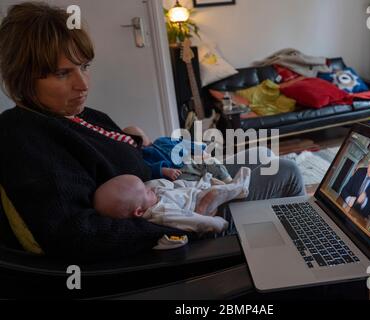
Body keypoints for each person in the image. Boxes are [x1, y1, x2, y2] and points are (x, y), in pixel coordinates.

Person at [0, 2, 305, 262]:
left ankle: (288, 252)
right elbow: (76, 234)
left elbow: (109, 153)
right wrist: (178, 226)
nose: (83, 85)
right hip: (181, 218)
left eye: (85, 66)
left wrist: (141, 145)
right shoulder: (24, 138)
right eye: (62, 73)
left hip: (172, 188)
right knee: (287, 172)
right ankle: (300, 263)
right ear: (23, 77)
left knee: (263, 155)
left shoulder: (72, 115)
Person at [93, 167, 251, 236]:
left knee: (211, 188)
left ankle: (229, 188)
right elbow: (192, 220)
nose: (151, 189)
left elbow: (176, 189)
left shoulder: (149, 200)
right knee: (214, 194)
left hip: (195, 193)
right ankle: (240, 188)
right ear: (139, 211)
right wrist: (215, 223)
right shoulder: (161, 212)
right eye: (147, 191)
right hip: (199, 207)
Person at [123, 126, 233, 183]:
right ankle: (213, 184)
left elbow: (182, 143)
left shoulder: (161, 140)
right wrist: (163, 170)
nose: (140, 144)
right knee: (192, 183)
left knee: (212, 162)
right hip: (178, 172)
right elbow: (148, 169)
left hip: (190, 161)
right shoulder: (142, 157)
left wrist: (200, 149)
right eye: (134, 143)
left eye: (140, 137)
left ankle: (228, 180)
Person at [340, 150, 370, 218]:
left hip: (359, 217)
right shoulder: (360, 171)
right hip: (345, 209)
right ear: (369, 163)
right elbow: (344, 190)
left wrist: (364, 201)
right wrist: (349, 199)